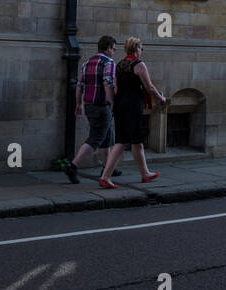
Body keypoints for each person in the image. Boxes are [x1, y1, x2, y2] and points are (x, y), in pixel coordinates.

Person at [99, 37, 167, 188]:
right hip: (132, 105)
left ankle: (145, 174)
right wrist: (161, 98)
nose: (142, 51)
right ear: (137, 48)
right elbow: (149, 87)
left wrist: (113, 106)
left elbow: (115, 88)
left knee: (135, 141)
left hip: (121, 105)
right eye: (141, 48)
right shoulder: (138, 65)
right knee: (123, 141)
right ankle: (105, 176)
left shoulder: (119, 65)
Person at [62, 36, 120, 183]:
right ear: (108, 48)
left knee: (107, 137)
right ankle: (72, 166)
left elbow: (80, 85)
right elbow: (108, 84)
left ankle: (107, 168)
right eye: (113, 48)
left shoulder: (87, 63)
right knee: (95, 139)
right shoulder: (109, 62)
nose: (114, 51)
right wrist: (112, 103)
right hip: (102, 106)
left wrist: (78, 104)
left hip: (89, 105)